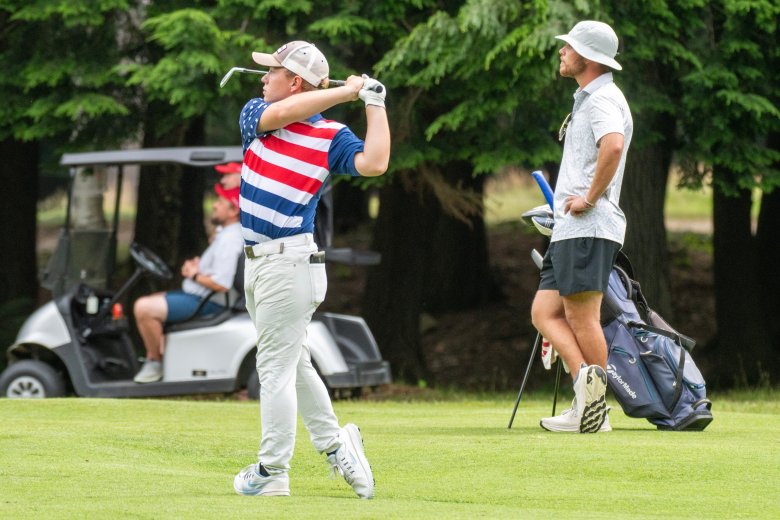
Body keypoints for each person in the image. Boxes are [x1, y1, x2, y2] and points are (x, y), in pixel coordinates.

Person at [232, 40, 390, 498]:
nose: (264, 78)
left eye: (273, 71)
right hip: (259, 265)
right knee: (294, 364)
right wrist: (347, 91)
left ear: (295, 81)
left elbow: (375, 163)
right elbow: (283, 114)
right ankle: (338, 447)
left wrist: (374, 103)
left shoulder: (331, 136)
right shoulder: (257, 114)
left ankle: (272, 470)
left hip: (289, 263)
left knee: (274, 369)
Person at [531, 21, 633, 433]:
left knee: (581, 316)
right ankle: (586, 398)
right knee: (544, 312)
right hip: (570, 229)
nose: (562, 51)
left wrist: (588, 198)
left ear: (588, 57)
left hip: (589, 224)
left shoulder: (603, 98)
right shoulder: (589, 98)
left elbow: (613, 145)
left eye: (569, 47)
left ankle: (595, 412)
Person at [133, 184, 244, 383]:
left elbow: (222, 283)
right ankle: (160, 357)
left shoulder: (230, 240)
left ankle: (154, 362)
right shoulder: (225, 234)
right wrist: (198, 267)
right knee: (153, 299)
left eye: (220, 202)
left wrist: (194, 275)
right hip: (201, 296)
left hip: (209, 302)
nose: (215, 205)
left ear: (233, 211)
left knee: (144, 308)